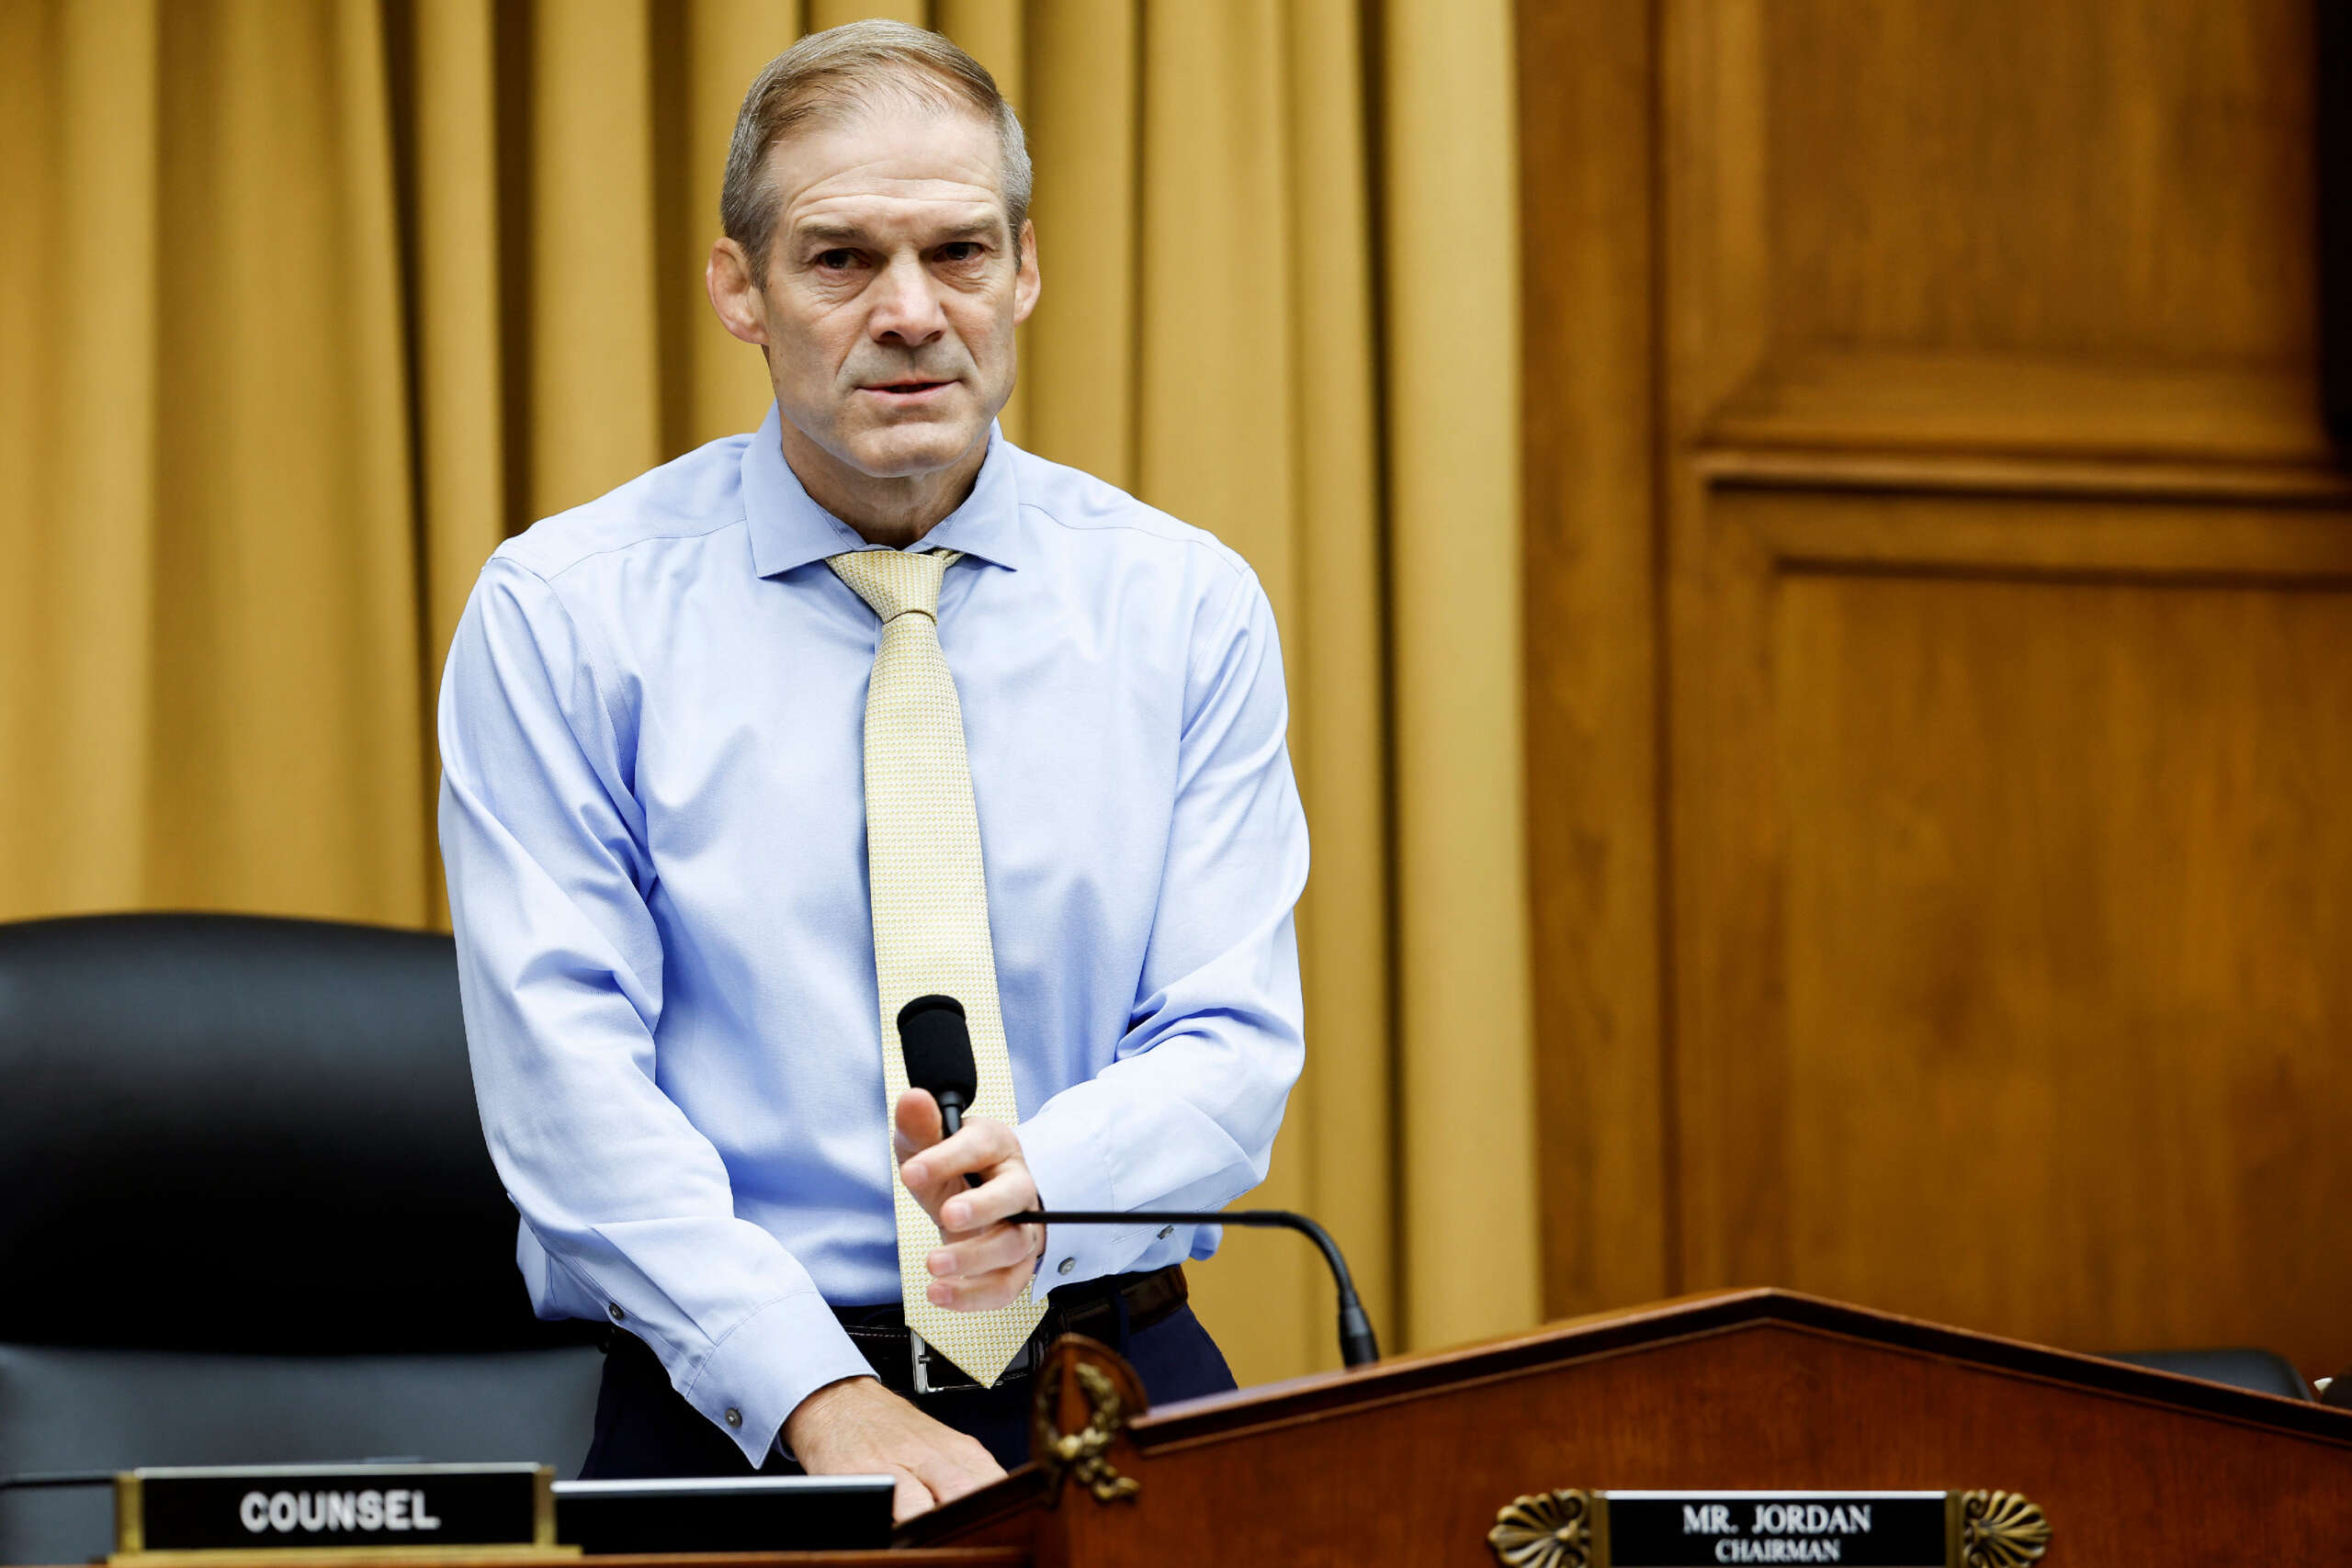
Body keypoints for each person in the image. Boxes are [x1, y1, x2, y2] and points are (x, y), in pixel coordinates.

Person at [436, 20, 1308, 1523]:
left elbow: (1231, 1046)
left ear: (1025, 270)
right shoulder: (566, 613)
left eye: (959, 253)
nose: (912, 313)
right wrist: (815, 1395)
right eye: (841, 260)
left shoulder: (1184, 605)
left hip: (1105, 1372)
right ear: (740, 290)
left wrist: (1041, 1190)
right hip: (727, 1405)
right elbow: (567, 1085)